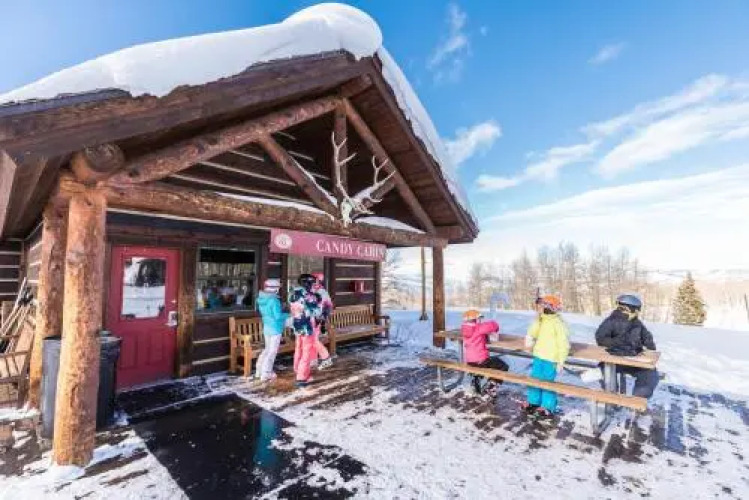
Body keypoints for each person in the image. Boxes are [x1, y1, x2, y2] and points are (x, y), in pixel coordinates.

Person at [595, 294, 659, 398]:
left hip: (633, 361)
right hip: (614, 360)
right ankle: (612, 397)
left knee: (650, 374)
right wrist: (618, 343)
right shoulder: (611, 321)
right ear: (628, 308)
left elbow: (646, 337)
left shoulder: (636, 323)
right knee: (605, 372)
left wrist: (650, 348)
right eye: (636, 309)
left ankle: (638, 399)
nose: (638, 312)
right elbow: (600, 338)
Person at [524, 295, 570, 420]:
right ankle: (533, 402)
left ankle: (548, 406)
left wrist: (561, 361)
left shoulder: (558, 323)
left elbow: (563, 343)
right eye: (543, 306)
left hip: (551, 358)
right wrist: (537, 319)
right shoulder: (541, 319)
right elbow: (533, 332)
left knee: (547, 382)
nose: (544, 308)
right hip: (539, 355)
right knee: (535, 379)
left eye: (546, 306)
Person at [461, 309, 508, 397]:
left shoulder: (464, 329)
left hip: (470, 361)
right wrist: (494, 324)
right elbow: (493, 325)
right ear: (476, 319)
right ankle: (491, 386)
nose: (480, 321)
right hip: (481, 361)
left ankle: (475, 385)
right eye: (479, 319)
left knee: (479, 368)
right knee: (503, 366)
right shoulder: (478, 328)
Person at [289, 273, 323, 387]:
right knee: (306, 351)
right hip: (307, 326)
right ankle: (301, 377)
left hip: (297, 324)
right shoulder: (309, 296)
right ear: (307, 283)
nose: (313, 285)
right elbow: (316, 312)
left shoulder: (293, 293)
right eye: (312, 283)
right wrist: (318, 302)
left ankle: (297, 369)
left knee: (298, 348)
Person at [255, 279, 288, 382]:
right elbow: (278, 316)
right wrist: (289, 314)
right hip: (275, 328)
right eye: (278, 287)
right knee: (272, 352)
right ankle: (266, 373)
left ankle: (259, 370)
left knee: (267, 349)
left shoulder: (261, 299)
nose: (278, 289)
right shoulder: (274, 300)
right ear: (274, 289)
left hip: (267, 327)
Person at [311, 273, 334, 370]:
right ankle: (313, 360)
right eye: (312, 279)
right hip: (310, 319)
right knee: (311, 340)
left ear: (319, 281)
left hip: (317, 319)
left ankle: (326, 358)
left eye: (315, 280)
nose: (313, 282)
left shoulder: (322, 292)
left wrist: (323, 317)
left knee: (313, 340)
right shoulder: (310, 290)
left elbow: (328, 306)